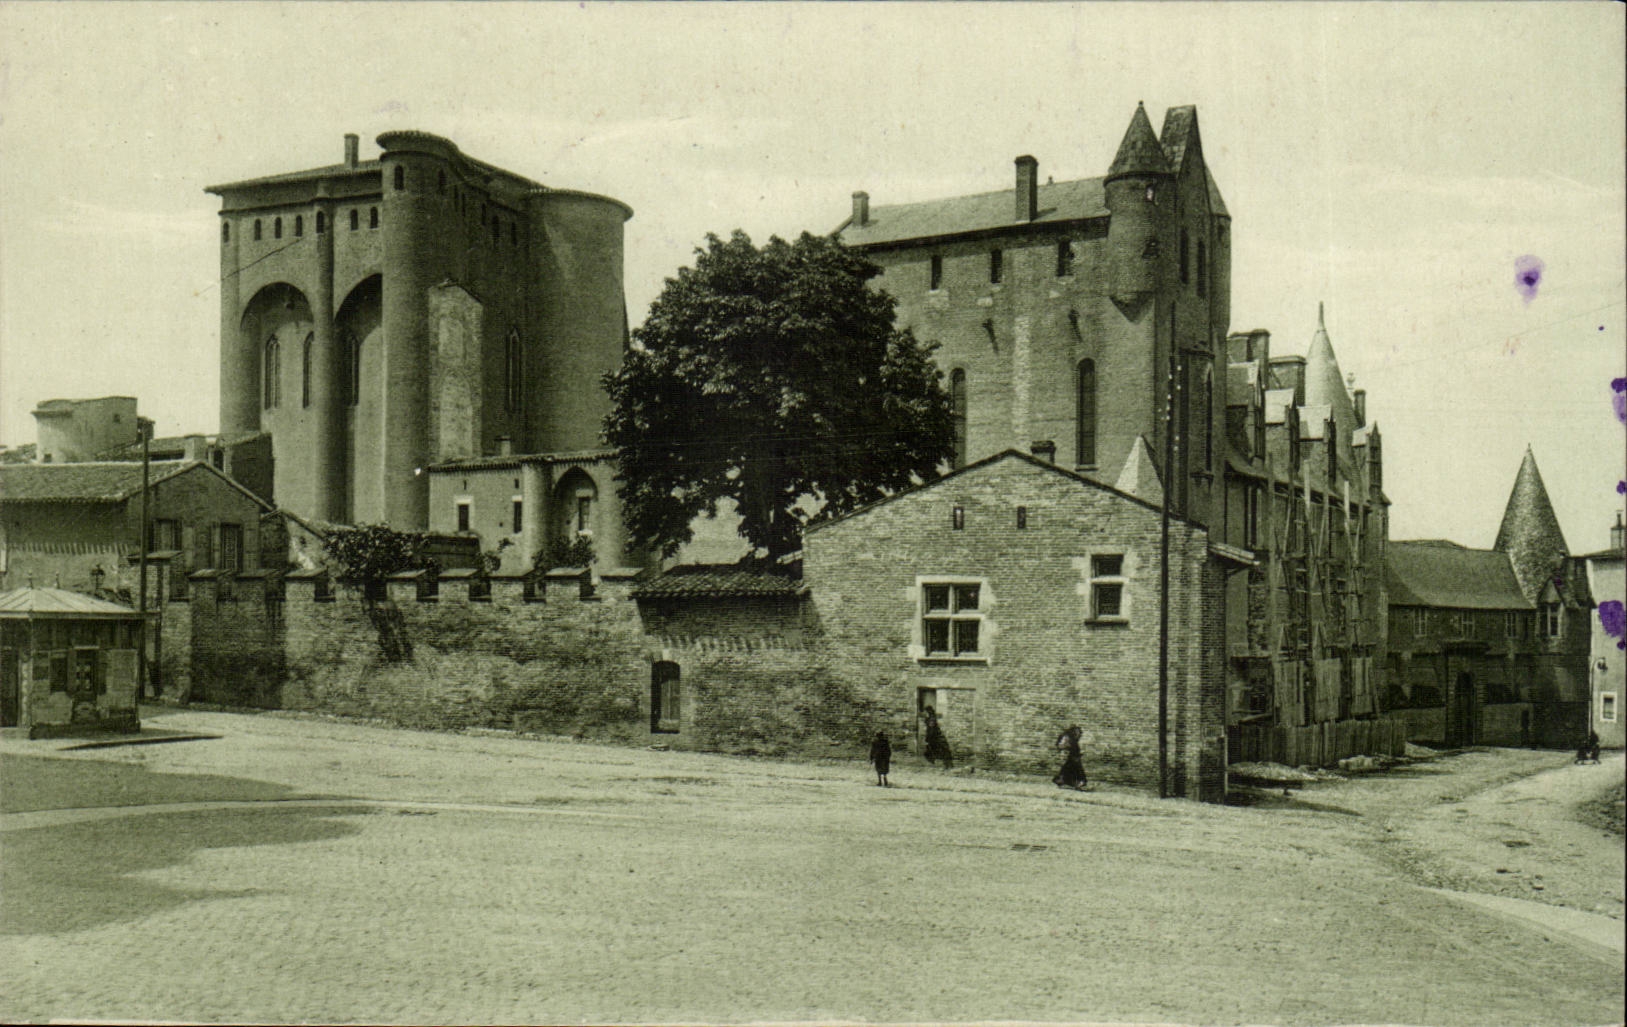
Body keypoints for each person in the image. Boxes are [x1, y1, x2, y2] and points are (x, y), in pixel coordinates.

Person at [1053, 724, 1087, 790]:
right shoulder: (1068, 738)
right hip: (1071, 757)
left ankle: (1070, 782)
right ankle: (1075, 783)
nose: (1079, 734)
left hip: (1073, 757)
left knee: (1071, 770)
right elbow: (1063, 746)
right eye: (1077, 732)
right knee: (1074, 770)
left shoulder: (1073, 739)